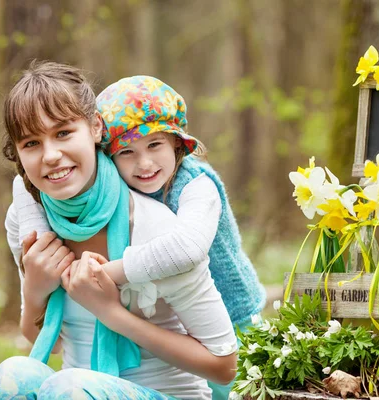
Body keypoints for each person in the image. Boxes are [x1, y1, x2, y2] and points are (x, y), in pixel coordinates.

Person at [0, 61, 237, 400]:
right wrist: (34, 290)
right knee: (12, 376)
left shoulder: (157, 230)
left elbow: (224, 365)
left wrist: (111, 312)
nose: (51, 155)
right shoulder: (28, 220)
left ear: (95, 128)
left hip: (167, 394)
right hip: (73, 390)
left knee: (68, 387)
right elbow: (50, 342)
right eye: (31, 143)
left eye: (63, 133)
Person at [94, 75, 267, 399]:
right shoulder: (122, 194)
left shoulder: (197, 185)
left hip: (235, 321)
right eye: (127, 152)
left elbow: (188, 248)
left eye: (154, 145)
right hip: (179, 327)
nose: (144, 163)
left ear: (176, 142)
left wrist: (106, 275)